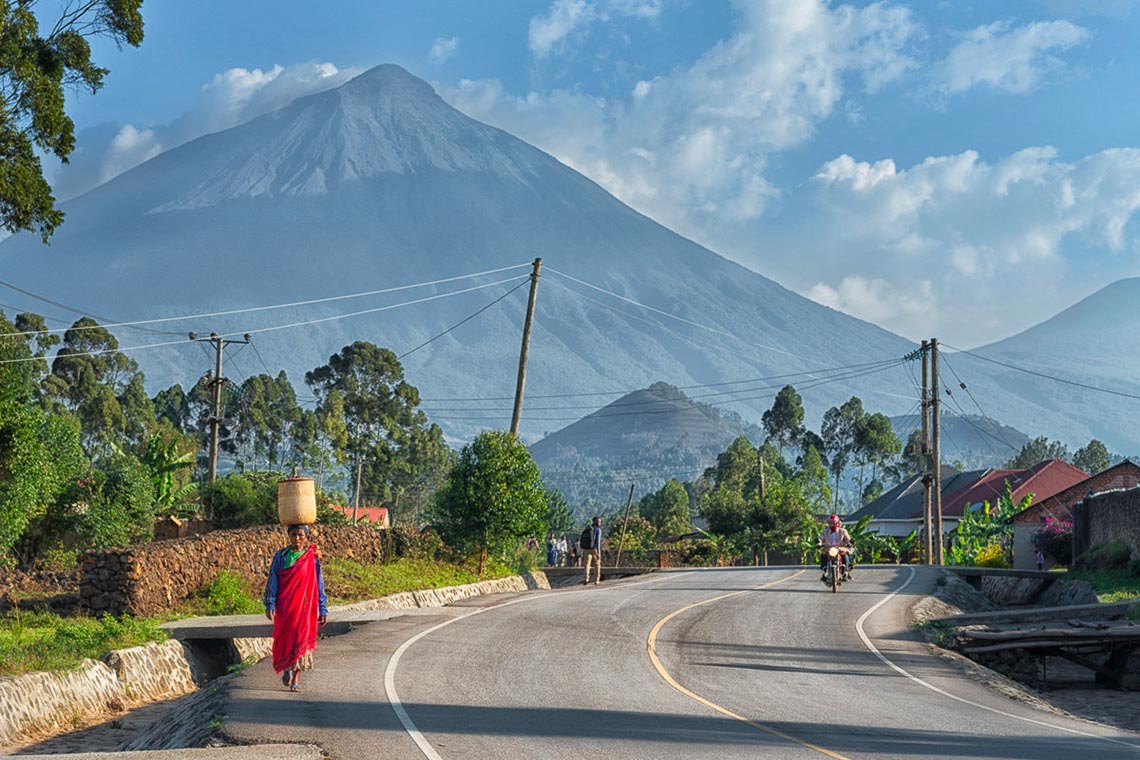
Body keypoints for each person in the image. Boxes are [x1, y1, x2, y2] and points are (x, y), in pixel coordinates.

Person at [265, 524, 328, 692]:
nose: (297, 538)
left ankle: (296, 678)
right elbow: (273, 580)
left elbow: (318, 584)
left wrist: (322, 608)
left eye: (301, 535)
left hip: (306, 607)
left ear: (306, 537)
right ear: (289, 536)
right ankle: (286, 668)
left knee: (301, 638)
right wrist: (270, 603)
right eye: (294, 535)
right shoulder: (281, 556)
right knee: (286, 637)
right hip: (285, 605)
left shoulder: (312, 559)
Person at [818, 514, 854, 583]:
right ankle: (824, 571)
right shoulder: (825, 531)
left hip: (840, 549)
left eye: (833, 523)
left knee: (845, 556)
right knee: (823, 555)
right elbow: (821, 538)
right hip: (829, 549)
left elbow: (848, 539)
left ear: (837, 523)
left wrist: (850, 543)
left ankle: (845, 572)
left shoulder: (843, 531)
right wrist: (819, 543)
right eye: (829, 523)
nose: (831, 525)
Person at [581, 516, 603, 585]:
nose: (600, 523)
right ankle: (597, 579)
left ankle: (586, 578)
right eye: (599, 521)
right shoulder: (598, 530)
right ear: (595, 521)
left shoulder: (588, 529)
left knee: (587, 564)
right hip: (595, 549)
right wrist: (599, 553)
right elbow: (598, 542)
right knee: (597, 564)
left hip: (587, 549)